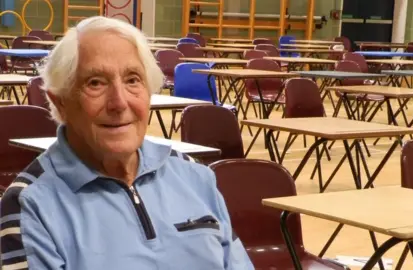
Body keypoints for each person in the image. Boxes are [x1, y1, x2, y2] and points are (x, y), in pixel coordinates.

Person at [0, 16, 253, 270]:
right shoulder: (29, 205)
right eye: (95, 83)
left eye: (133, 80)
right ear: (60, 102)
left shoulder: (195, 176)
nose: (119, 103)